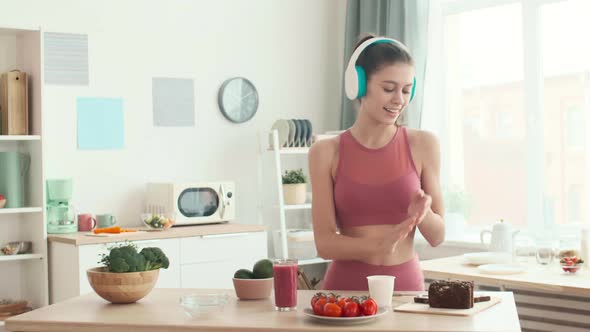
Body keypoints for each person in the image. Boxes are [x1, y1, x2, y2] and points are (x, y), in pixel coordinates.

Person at [308, 34, 445, 291]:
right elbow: (324, 243)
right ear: (359, 85)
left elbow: (437, 237)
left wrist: (422, 214)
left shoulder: (424, 144)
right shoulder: (325, 152)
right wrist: (379, 246)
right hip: (345, 292)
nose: (399, 100)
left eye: (406, 90)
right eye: (389, 88)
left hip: (405, 291)